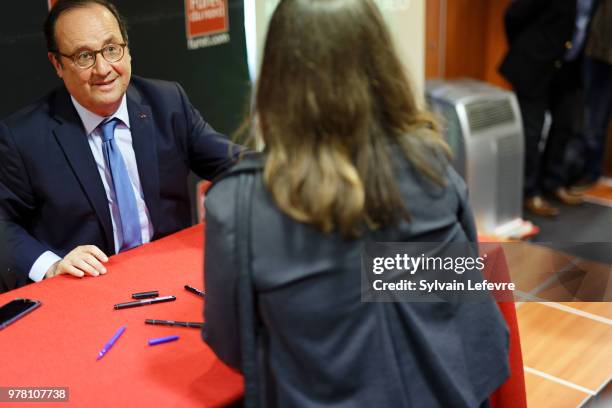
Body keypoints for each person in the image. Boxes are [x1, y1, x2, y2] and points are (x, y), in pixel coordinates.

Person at [203, 0, 510, 406]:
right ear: (381, 65)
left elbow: (235, 347)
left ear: (277, 76)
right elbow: (463, 288)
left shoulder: (238, 206)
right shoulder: (430, 164)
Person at [0, 0, 239, 289]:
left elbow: (234, 164)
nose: (103, 69)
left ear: (127, 50)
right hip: (86, 290)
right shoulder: (23, 136)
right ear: (58, 64)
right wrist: (51, 265)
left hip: (170, 276)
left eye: (112, 49)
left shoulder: (166, 102)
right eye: (84, 56)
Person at [499, 0, 596, 217]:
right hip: (535, 64)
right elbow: (513, 16)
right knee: (531, 132)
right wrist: (526, 48)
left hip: (569, 67)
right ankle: (528, 192)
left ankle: (553, 182)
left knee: (566, 125)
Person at [572, 0, 612, 190]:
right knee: (591, 120)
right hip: (596, 55)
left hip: (602, 57)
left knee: (594, 119)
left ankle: (590, 170)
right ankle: (589, 170)